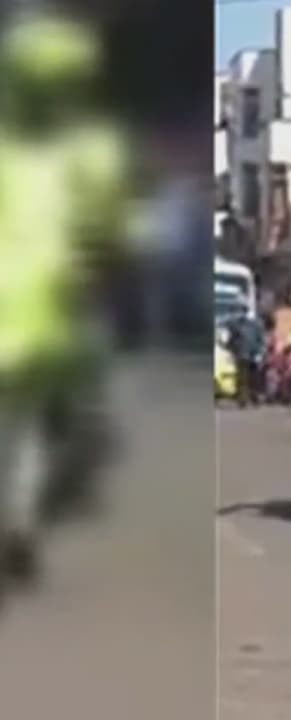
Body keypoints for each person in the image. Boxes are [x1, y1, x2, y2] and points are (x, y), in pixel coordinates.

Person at [0, 11, 132, 582]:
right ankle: (31, 515)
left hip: (42, 313)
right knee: (79, 426)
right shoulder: (91, 151)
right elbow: (114, 229)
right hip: (51, 316)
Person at [225, 309, 267, 406]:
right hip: (248, 355)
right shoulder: (253, 325)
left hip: (247, 354)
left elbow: (232, 340)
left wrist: (230, 349)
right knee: (249, 378)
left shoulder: (239, 325)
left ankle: (247, 399)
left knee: (247, 378)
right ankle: (248, 399)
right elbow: (261, 340)